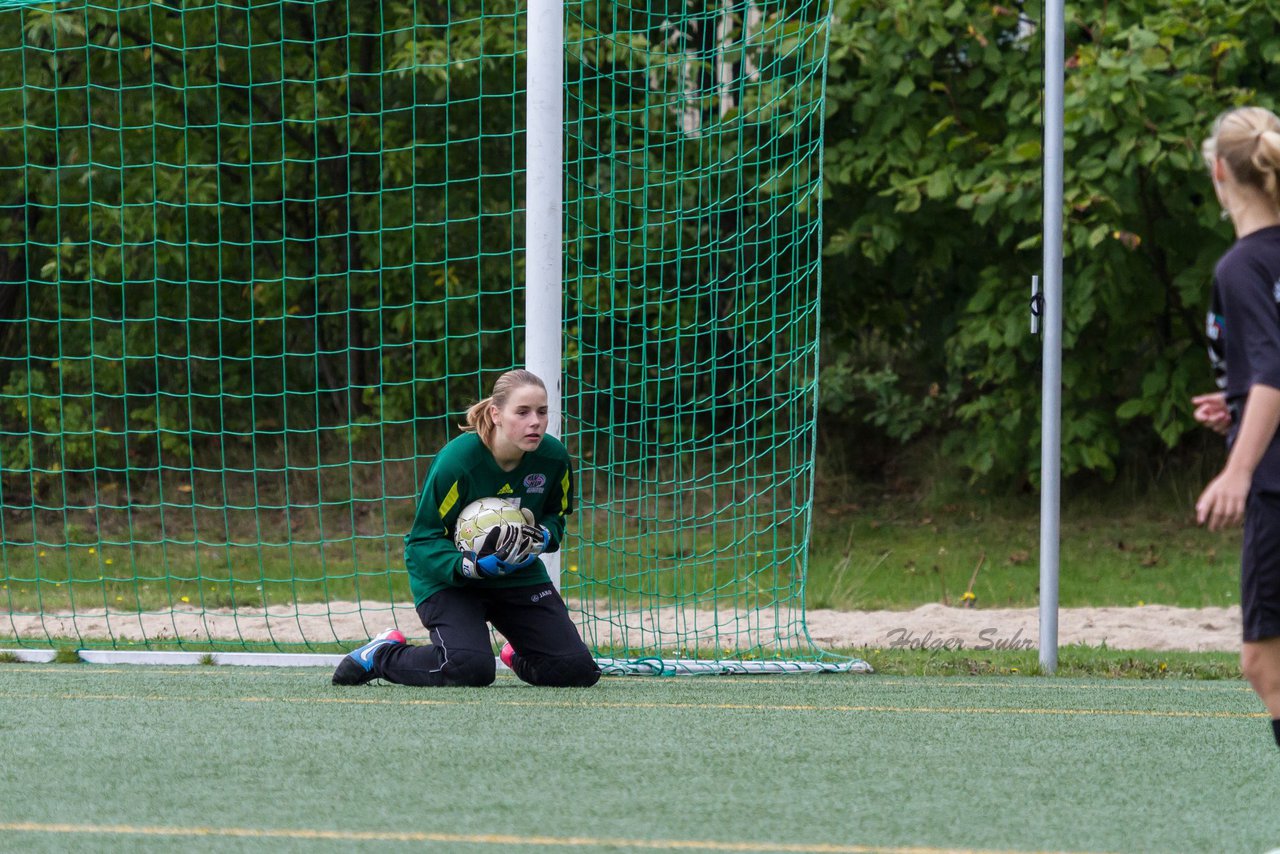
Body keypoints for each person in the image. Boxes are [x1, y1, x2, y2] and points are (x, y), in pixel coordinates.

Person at [332, 369, 600, 688]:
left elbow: (556, 515)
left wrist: (542, 537)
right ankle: (380, 655)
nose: (536, 422)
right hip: (450, 580)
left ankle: (518, 652)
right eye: (523, 412)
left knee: (578, 670)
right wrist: (468, 566)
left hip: (516, 574)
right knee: (468, 669)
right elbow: (421, 541)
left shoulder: (553, 459)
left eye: (542, 412)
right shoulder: (458, 462)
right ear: (495, 414)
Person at [1194, 106, 1280, 751]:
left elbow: (1274, 371)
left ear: (1220, 171)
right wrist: (1240, 400)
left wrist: (1237, 469)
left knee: (1265, 665)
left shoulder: (1243, 266)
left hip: (1276, 485)